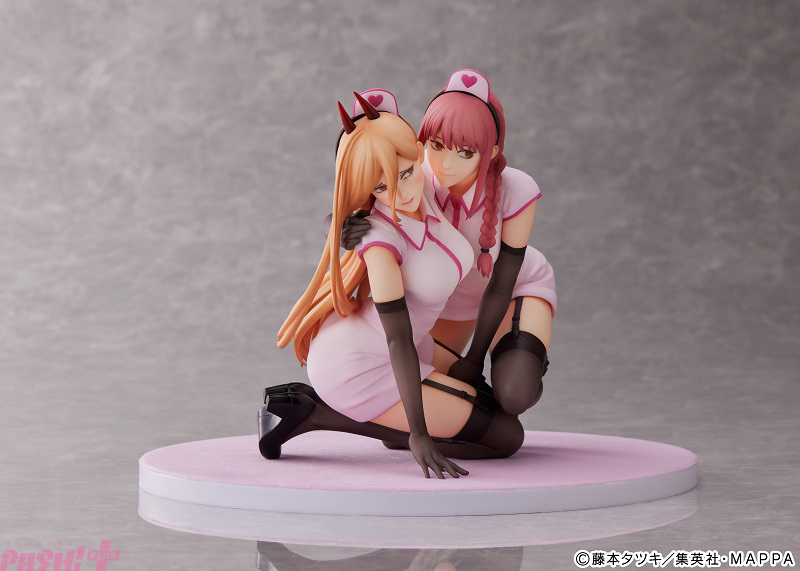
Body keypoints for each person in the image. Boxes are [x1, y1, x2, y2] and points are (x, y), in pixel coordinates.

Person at [264, 90, 525, 479]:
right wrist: (418, 435)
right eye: (381, 187)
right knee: (505, 437)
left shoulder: (428, 189)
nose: (401, 193)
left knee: (496, 405)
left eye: (405, 173)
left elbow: (346, 209)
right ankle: (312, 413)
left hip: (408, 344)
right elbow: (396, 338)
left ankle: (387, 420)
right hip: (359, 364)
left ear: (418, 154)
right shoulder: (380, 241)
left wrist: (334, 224)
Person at [341, 70, 557, 418]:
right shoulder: (415, 173)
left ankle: (528, 365)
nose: (445, 164)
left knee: (514, 393)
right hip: (449, 303)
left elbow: (501, 284)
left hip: (513, 291)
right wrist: (340, 227)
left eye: (466, 152)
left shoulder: (517, 190)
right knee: (410, 405)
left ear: (492, 151)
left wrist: (474, 359)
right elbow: (364, 198)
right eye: (437, 146)